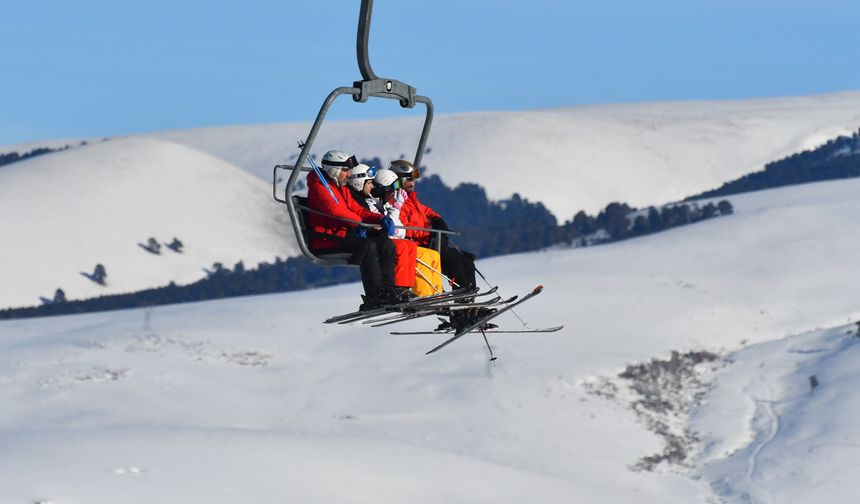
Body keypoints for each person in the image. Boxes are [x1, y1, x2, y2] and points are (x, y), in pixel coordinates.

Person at [306, 150, 404, 309]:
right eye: (345, 170)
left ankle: (389, 290)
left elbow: (355, 209)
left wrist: (379, 218)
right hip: (327, 238)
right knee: (368, 246)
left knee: (385, 244)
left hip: (343, 234)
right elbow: (335, 210)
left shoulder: (340, 187)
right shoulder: (319, 187)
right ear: (334, 170)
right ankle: (374, 295)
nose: (348, 174)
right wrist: (358, 224)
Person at [390, 159, 477, 291]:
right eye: (409, 179)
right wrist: (430, 234)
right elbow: (403, 227)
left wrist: (437, 220)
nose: (412, 183)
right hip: (418, 244)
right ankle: (462, 297)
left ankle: (469, 301)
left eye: (413, 180)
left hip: (428, 242)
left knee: (467, 261)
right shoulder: (396, 201)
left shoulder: (410, 199)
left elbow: (425, 211)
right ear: (399, 179)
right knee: (455, 261)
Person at [345, 165, 417, 297]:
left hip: (377, 236)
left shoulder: (381, 204)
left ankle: (405, 287)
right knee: (398, 246)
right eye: (369, 183)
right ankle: (396, 288)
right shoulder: (368, 202)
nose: (372, 186)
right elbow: (392, 230)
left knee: (410, 246)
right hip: (367, 237)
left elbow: (400, 231)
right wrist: (395, 210)